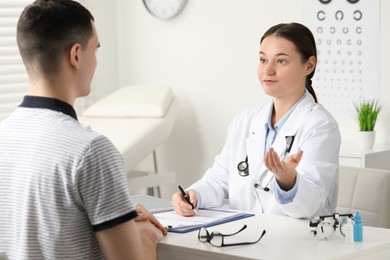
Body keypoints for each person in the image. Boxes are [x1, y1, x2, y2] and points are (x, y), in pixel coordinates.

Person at [0, 1, 167, 259]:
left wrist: (114, 215)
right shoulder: (91, 151)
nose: (96, 60)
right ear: (76, 55)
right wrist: (145, 237)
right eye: (95, 50)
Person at [172, 22, 341, 219]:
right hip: (244, 238)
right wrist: (194, 195)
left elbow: (311, 205)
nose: (267, 70)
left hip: (298, 242)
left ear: (309, 65)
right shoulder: (245, 120)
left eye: (281, 61)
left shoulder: (320, 126)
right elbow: (219, 180)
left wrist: (288, 180)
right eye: (263, 60)